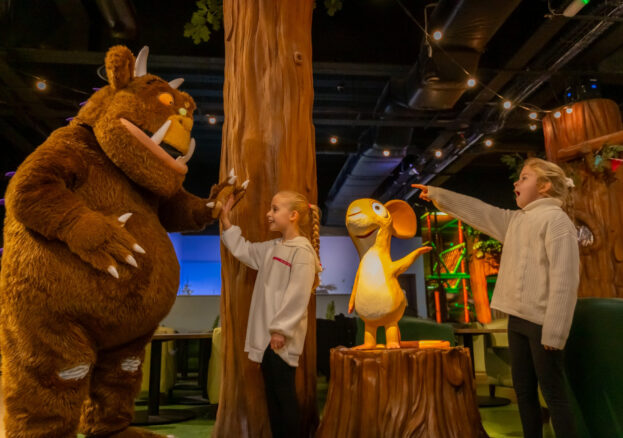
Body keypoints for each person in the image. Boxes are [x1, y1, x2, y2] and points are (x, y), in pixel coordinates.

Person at [414, 157, 580, 438]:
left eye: (524, 177)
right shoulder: (516, 221)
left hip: (543, 325)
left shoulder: (556, 220)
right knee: (524, 391)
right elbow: (480, 212)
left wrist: (555, 331)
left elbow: (565, 278)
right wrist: (438, 195)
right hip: (517, 320)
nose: (516, 182)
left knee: (553, 394)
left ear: (545, 186)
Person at [219, 190, 322, 438]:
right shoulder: (273, 248)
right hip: (267, 340)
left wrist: (280, 330)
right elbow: (244, 250)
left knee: (284, 398)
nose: (269, 214)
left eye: (275, 209)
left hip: (280, 340)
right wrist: (225, 222)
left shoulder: (302, 252)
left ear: (294, 215)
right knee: (274, 401)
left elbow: (298, 295)